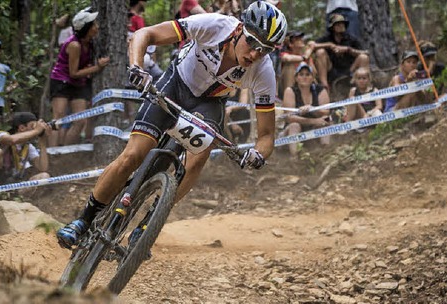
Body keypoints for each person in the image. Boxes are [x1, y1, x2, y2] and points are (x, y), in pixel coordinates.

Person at [56, 1, 288, 248]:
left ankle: (152, 219)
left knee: (198, 158)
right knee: (133, 155)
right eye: (252, 42)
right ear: (240, 29)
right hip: (175, 85)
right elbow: (146, 34)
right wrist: (137, 67)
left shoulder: (263, 72)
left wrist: (257, 155)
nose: (255, 54)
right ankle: (83, 220)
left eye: (265, 49)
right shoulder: (214, 25)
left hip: (209, 104)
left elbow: (266, 136)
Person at [48, 7, 110, 147]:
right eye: (93, 24)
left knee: (81, 120)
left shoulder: (91, 43)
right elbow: (73, 73)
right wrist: (98, 67)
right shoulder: (74, 45)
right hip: (61, 81)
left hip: (79, 83)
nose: (97, 27)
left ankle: (65, 151)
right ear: (86, 28)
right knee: (58, 118)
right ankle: (52, 153)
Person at [0, 112, 51, 187]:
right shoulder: (2, 135)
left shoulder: (28, 147)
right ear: (22, 128)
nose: (36, 129)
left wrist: (42, 142)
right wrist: (36, 131)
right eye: (32, 126)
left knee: (44, 176)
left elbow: (42, 167)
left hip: (11, 184)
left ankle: (13, 195)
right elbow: (12, 140)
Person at [281, 62, 331, 160]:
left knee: (326, 120)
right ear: (296, 78)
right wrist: (313, 121)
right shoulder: (290, 91)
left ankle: (326, 152)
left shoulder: (320, 90)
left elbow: (326, 112)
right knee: (294, 125)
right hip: (291, 131)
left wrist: (312, 109)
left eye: (307, 75)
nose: (304, 77)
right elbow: (288, 117)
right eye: (301, 74)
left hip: (314, 128)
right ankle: (294, 157)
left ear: (312, 78)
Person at [310, 14, 369, 92]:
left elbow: (366, 52)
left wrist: (348, 49)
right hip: (332, 70)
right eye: (338, 24)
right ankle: (324, 87)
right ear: (332, 27)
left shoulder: (351, 39)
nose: (341, 26)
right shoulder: (326, 39)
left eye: (342, 24)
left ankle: (364, 88)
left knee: (364, 57)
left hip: (350, 70)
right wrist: (330, 45)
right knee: (320, 52)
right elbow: (310, 44)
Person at [279, 30, 315, 95]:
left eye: (301, 38)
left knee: (307, 70)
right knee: (289, 66)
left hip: (305, 86)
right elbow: (287, 58)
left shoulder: (305, 55)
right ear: (290, 44)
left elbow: (314, 73)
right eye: (298, 39)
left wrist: (308, 58)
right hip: (287, 87)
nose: (301, 40)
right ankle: (289, 96)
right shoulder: (284, 53)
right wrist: (305, 57)